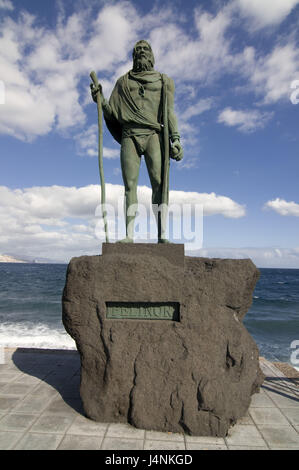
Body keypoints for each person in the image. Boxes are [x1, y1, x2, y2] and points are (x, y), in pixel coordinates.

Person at [91, 40, 183, 243]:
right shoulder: (123, 82)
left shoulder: (163, 81)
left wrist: (175, 138)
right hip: (129, 135)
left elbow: (169, 112)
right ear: (133, 56)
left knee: (159, 184)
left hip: (154, 135)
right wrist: (101, 100)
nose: (141, 52)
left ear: (151, 54)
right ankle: (129, 235)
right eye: (137, 50)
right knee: (129, 186)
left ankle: (162, 235)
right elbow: (112, 113)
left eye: (145, 49)